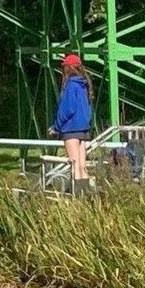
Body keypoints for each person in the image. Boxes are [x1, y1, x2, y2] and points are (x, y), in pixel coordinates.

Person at [48, 52, 95, 195]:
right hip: (84, 129)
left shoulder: (70, 86)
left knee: (74, 166)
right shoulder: (84, 86)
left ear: (67, 68)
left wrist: (56, 127)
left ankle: (78, 199)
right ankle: (88, 197)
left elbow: (67, 108)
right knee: (82, 166)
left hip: (71, 129)